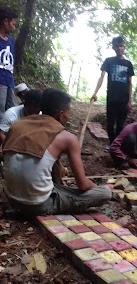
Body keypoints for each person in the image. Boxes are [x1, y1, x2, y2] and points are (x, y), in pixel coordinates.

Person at [2, 88, 111, 216]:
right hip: (37, 204)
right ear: (60, 113)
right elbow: (83, 185)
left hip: (10, 195)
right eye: (68, 111)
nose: (68, 116)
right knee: (105, 193)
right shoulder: (68, 138)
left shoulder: (17, 125)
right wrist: (98, 188)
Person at [90, 36, 134, 145]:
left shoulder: (128, 64)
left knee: (120, 125)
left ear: (124, 47)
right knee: (110, 124)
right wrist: (95, 92)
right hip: (112, 98)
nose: (119, 48)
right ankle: (111, 145)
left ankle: (115, 147)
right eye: (117, 46)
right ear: (113, 47)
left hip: (123, 100)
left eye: (121, 46)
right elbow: (102, 77)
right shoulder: (109, 61)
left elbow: (129, 83)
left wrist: (129, 101)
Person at [0, 6, 18, 118]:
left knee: (12, 110)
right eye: (13, 24)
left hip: (9, 81)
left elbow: (12, 61)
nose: (14, 27)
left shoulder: (11, 40)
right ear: (5, 22)